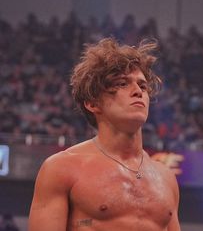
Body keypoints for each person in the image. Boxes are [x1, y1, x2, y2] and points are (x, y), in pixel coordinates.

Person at [29, 38, 181, 231]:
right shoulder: (62, 168)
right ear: (92, 103)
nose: (138, 92)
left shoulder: (166, 178)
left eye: (142, 86)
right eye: (123, 84)